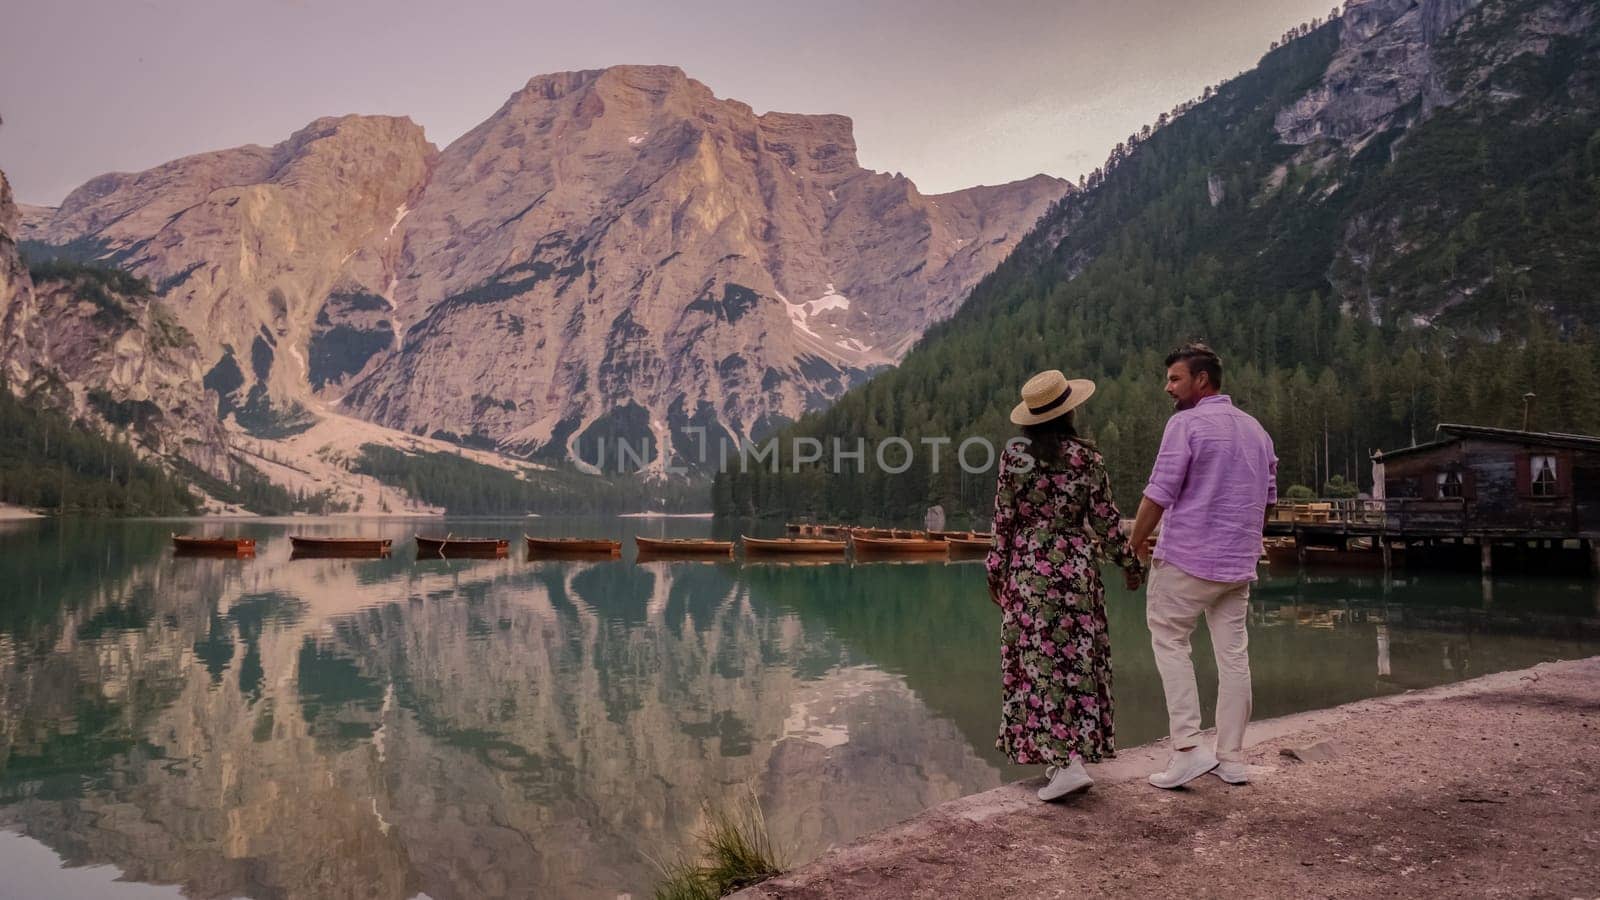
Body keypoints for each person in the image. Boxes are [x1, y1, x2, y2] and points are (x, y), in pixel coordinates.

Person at [987, 369, 1146, 802]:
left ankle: (1063, 763)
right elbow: (1108, 524)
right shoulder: (1087, 458)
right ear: (1068, 410)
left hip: (1028, 570)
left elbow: (1004, 520)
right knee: (1074, 661)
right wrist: (1131, 564)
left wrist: (996, 570)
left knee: (1036, 663)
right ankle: (1070, 758)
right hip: (1074, 570)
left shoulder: (1015, 455)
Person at [1128, 343, 1277, 789]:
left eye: (1175, 379)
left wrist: (1136, 541)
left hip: (1188, 558)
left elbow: (1159, 492)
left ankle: (1189, 749)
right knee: (1233, 657)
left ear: (1202, 381)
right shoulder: (1256, 430)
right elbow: (1268, 500)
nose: (1168, 387)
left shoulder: (1185, 424)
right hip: (1238, 565)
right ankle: (1230, 758)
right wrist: (1248, 542)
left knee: (1171, 640)